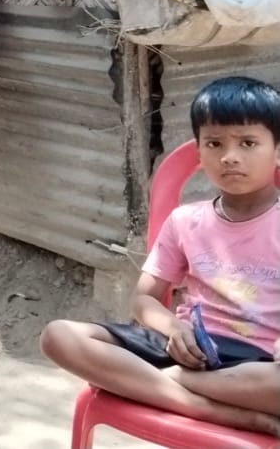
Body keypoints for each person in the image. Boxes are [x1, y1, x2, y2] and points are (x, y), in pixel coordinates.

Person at [40, 76, 280, 436]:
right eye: (214, 143)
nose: (229, 156)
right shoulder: (186, 220)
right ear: (199, 153)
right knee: (58, 336)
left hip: (258, 363)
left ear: (278, 150)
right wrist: (174, 328)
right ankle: (222, 412)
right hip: (184, 348)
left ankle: (160, 385)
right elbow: (143, 300)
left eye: (248, 143)